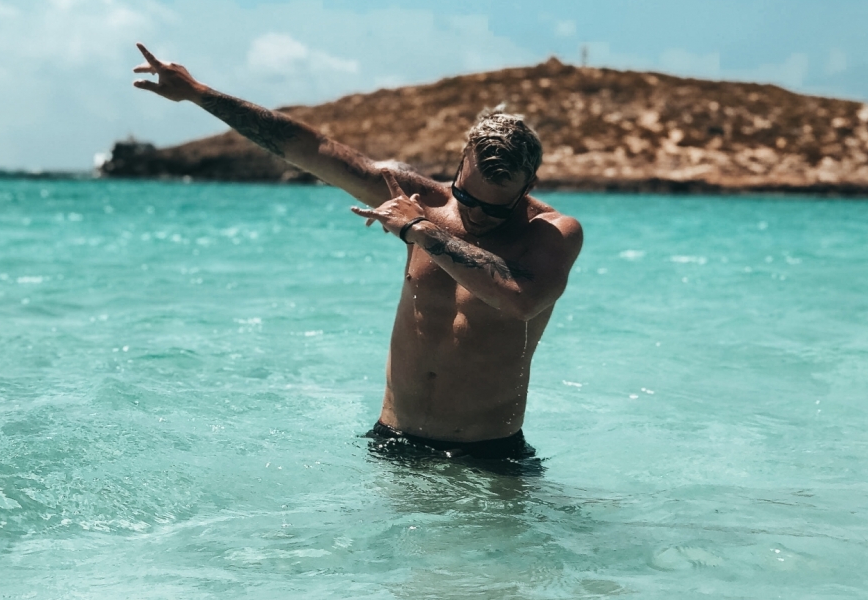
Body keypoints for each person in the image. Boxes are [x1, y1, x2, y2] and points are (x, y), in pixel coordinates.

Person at [132, 43, 583, 463]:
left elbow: (520, 299)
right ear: (460, 162)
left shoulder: (552, 233)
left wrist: (421, 231)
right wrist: (198, 94)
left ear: (528, 186)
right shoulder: (420, 198)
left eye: (495, 208)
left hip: (490, 455)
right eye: (466, 197)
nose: (477, 215)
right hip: (395, 440)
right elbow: (310, 149)